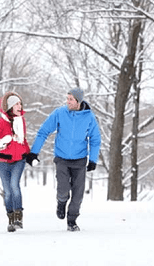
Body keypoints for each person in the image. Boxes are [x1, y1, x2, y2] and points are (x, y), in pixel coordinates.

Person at [26, 88, 101, 231]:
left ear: (78, 101)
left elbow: (95, 139)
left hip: (79, 160)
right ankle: (61, 202)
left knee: (78, 193)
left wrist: (93, 160)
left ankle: (72, 221)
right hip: (61, 158)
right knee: (63, 189)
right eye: (67, 98)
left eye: (70, 99)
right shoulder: (60, 113)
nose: (67, 102)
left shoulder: (89, 117)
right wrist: (34, 153)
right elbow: (44, 131)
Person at [0, 91, 30, 232]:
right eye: (17, 104)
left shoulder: (21, 121)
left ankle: (19, 218)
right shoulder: (0, 123)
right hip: (3, 162)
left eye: (20, 103)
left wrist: (30, 154)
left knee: (14, 186)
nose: (20, 106)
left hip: (19, 160)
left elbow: (23, 140)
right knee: (8, 191)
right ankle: (11, 219)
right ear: (10, 107)